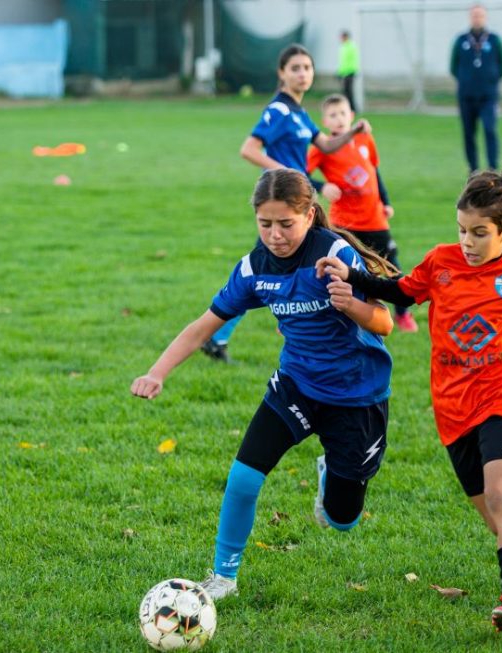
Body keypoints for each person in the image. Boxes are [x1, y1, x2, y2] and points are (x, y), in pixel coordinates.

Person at [316, 164, 502, 640]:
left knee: (501, 496)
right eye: (462, 230)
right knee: (499, 519)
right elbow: (399, 290)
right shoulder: (441, 263)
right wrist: (350, 273)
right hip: (452, 409)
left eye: (479, 233)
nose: (467, 242)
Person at [132, 168, 396, 601]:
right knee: (243, 478)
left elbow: (384, 322)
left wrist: (353, 306)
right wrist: (156, 372)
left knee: (342, 518)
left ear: (309, 215)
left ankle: (330, 474)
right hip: (296, 386)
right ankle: (223, 577)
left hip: (356, 395)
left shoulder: (334, 254)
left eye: (286, 224)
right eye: (265, 223)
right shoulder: (254, 267)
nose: (275, 235)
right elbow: (203, 325)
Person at [203, 43, 373, 362]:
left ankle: (228, 334)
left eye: (307, 68)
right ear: (281, 73)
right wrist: (285, 173)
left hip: (297, 206)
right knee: (259, 272)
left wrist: (352, 132)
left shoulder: (300, 113)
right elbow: (249, 149)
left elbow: (325, 144)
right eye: (295, 68)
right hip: (281, 207)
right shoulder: (279, 111)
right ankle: (217, 335)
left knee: (271, 269)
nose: (302, 74)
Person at [307, 93, 417, 332]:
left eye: (342, 113)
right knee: (337, 268)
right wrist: (322, 186)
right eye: (332, 115)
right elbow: (300, 174)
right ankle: (312, 312)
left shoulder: (365, 138)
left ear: (352, 115)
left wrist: (385, 201)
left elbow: (374, 172)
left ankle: (402, 314)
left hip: (374, 218)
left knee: (392, 266)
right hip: (344, 221)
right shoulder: (322, 148)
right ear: (324, 121)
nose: (338, 119)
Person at [450, 3, 502, 173]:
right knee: (468, 133)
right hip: (466, 96)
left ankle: (492, 167)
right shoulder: (461, 40)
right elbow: (453, 67)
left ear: (485, 17)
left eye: (480, 15)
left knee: (489, 129)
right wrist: (466, 80)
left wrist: (490, 79)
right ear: (470, 17)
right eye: (474, 15)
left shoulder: (494, 40)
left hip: (488, 96)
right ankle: (473, 168)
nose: (477, 19)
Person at [337, 30, 360, 110]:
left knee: (349, 92)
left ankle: (353, 108)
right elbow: (343, 62)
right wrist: (340, 73)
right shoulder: (343, 47)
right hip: (344, 72)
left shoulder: (351, 47)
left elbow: (350, 62)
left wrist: (348, 71)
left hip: (350, 72)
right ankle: (348, 108)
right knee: (345, 92)